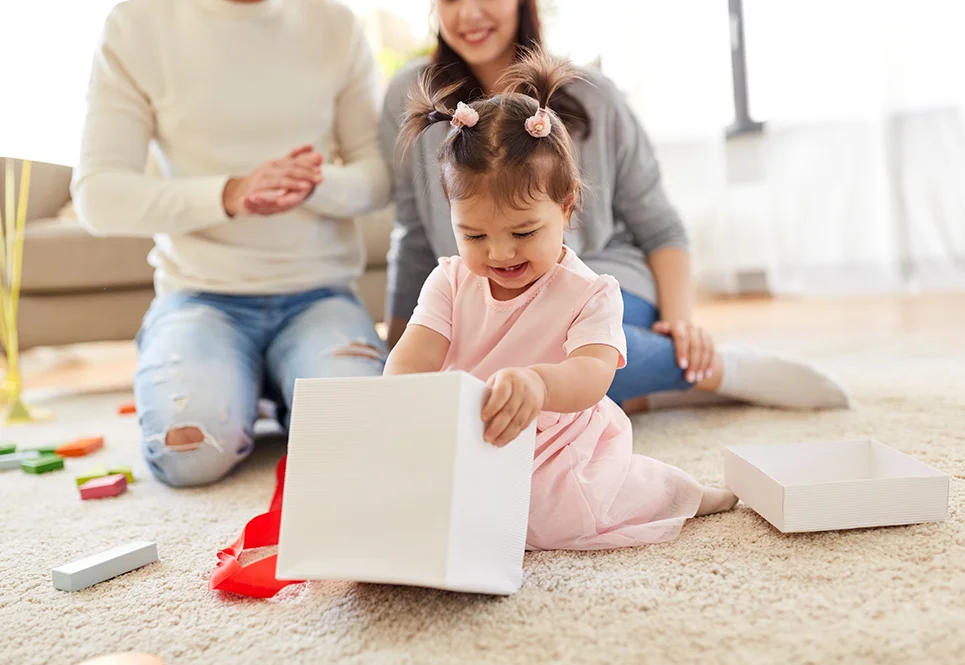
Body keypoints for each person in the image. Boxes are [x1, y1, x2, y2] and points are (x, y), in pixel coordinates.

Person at [380, 0, 850, 413]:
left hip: (608, 281)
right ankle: (646, 391)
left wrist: (680, 325)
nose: (468, 14)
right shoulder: (412, 94)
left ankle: (712, 368)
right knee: (464, 375)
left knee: (552, 363)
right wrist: (399, 340)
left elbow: (660, 226)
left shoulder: (593, 94)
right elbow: (413, 232)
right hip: (487, 296)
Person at [385, 49, 738, 550]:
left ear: (566, 206)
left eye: (524, 231)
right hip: (468, 435)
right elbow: (414, 354)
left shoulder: (590, 292)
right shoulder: (449, 280)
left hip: (554, 442)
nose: (501, 252)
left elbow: (592, 376)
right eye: (475, 236)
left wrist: (538, 384)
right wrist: (398, 402)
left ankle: (683, 492)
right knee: (426, 507)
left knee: (567, 513)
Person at [72, 0, 391, 487]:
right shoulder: (137, 24)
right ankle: (251, 386)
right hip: (200, 299)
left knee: (363, 440)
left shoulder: (334, 23)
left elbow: (378, 177)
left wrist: (308, 183)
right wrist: (229, 193)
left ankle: (272, 389)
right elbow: (97, 194)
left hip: (319, 297)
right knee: (190, 456)